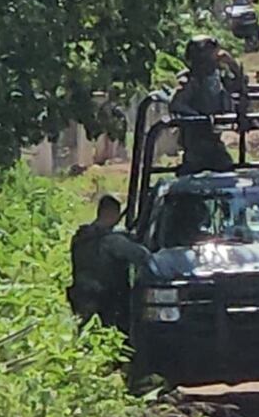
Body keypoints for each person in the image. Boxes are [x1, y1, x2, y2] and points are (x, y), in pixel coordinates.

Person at [68, 195, 152, 332]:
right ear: (111, 213)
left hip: (82, 298)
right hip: (108, 303)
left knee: (86, 335)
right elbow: (143, 257)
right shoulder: (113, 242)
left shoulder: (80, 237)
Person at [170, 35, 238, 175]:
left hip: (215, 139)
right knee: (192, 175)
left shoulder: (217, 77)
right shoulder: (190, 80)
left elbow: (239, 88)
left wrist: (233, 65)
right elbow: (176, 104)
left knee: (227, 172)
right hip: (195, 143)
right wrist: (199, 118)